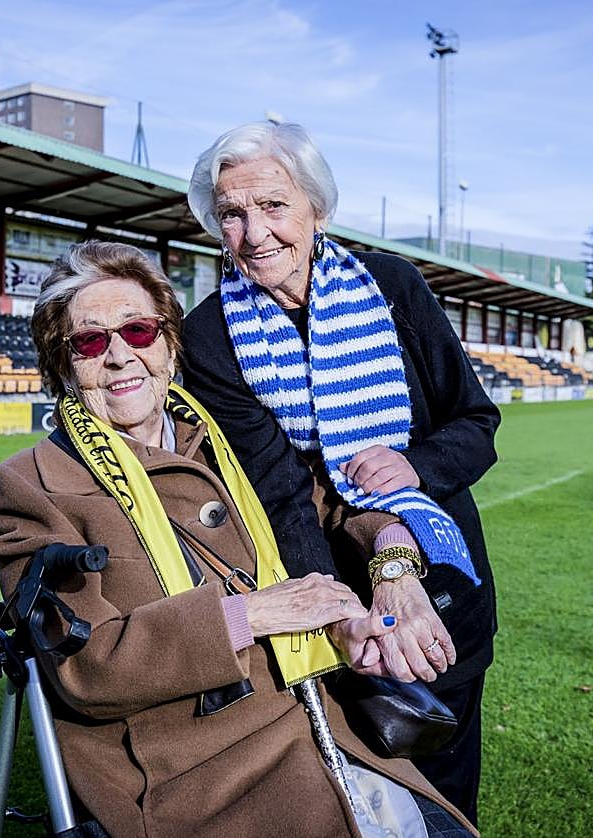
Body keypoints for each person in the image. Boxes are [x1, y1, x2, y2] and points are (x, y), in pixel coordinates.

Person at [0, 241, 476, 838]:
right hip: (193, 774)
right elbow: (88, 669)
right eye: (89, 341)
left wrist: (385, 570)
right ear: (62, 364)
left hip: (324, 719)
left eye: (138, 331)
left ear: (168, 343)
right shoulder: (28, 484)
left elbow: (327, 506)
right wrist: (255, 613)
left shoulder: (225, 434)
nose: (118, 357)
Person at [181, 121, 501, 825]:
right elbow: (282, 492)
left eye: (272, 205)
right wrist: (343, 612)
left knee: (449, 791)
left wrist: (413, 464)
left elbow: (477, 426)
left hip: (448, 583)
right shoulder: (208, 336)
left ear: (315, 209)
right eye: (231, 214)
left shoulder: (394, 286)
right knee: (361, 796)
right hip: (336, 598)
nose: (255, 232)